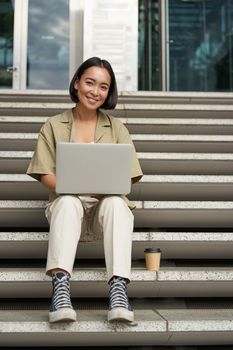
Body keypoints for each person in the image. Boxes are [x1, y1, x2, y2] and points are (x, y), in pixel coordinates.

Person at [26, 56, 143, 323]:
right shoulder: (53, 126)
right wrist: (75, 189)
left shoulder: (117, 128)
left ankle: (118, 291)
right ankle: (60, 288)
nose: (96, 91)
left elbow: (130, 176)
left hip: (105, 207)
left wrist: (106, 187)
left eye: (103, 86)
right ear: (77, 83)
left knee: (117, 202)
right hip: (68, 205)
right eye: (90, 82)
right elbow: (44, 172)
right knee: (67, 201)